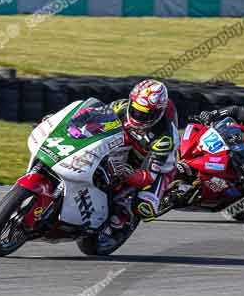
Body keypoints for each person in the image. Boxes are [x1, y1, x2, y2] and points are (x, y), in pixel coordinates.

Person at [69, 79, 179, 237]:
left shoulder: (165, 138)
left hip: (154, 166)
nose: (139, 116)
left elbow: (149, 176)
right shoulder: (121, 106)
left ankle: (122, 219)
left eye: (146, 114)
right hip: (125, 144)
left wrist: (129, 174)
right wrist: (72, 122)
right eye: (136, 110)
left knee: (145, 207)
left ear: (158, 113)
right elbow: (93, 113)